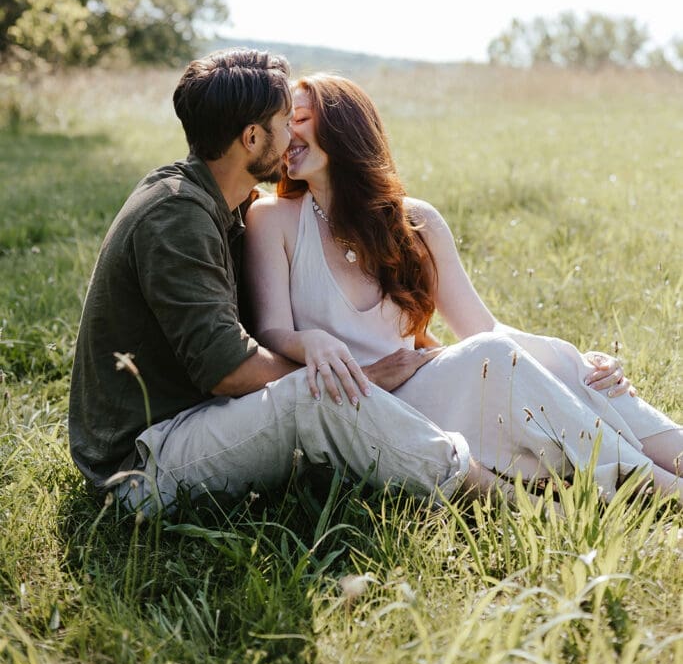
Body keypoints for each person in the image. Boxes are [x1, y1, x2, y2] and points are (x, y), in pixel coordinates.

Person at [68, 49, 507, 515]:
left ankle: (524, 458)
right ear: (253, 138)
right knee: (319, 399)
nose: (292, 131)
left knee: (332, 394)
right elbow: (229, 369)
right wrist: (365, 377)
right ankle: (498, 499)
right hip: (143, 464)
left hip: (202, 425)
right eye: (284, 120)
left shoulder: (229, 204)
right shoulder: (175, 216)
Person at [244, 73, 683, 503]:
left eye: (298, 119)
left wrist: (575, 358)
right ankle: (659, 488)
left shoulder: (415, 221)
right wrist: (312, 342)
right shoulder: (272, 219)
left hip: (422, 384)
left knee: (573, 370)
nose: (286, 135)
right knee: (489, 357)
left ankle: (671, 456)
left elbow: (481, 326)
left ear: (344, 126)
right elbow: (272, 331)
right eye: (285, 124)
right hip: (366, 408)